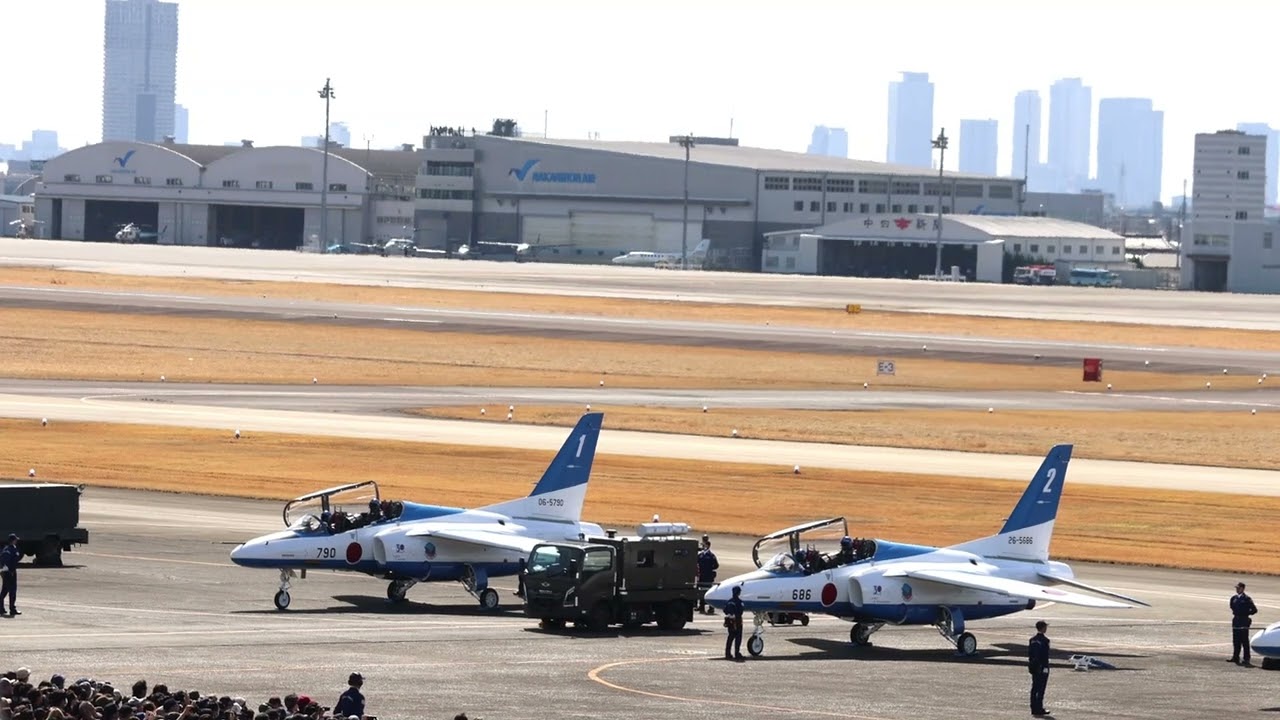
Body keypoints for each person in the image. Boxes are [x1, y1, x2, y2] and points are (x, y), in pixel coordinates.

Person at [1229, 581, 1258, 666]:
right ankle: (1235, 657)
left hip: (1244, 620)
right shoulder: (1233, 598)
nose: (1237, 590)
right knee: (1236, 640)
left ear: (1242, 589)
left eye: (1239, 588)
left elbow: (1254, 610)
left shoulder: (1247, 599)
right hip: (1236, 620)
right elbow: (1232, 606)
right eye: (1236, 588)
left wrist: (1246, 614)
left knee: (1244, 640)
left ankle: (1246, 659)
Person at [1028, 620, 1051, 716]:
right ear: (1043, 628)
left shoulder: (1032, 639)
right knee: (1041, 688)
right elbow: (1045, 656)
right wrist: (1045, 667)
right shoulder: (1045, 640)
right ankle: (1039, 708)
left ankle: (1033, 708)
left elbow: (1030, 653)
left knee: (1034, 688)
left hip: (1034, 666)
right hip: (1042, 666)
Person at [1, 533, 21, 616]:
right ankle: (12, 609)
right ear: (12, 540)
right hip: (9, 572)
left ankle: (1, 608)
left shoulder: (12, 548)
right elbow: (5, 561)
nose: (16, 541)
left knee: (5, 590)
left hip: (10, 571)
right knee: (12, 591)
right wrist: (9, 571)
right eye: (15, 539)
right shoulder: (8, 550)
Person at [696, 541, 719, 614]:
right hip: (702, 576)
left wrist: (709, 569)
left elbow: (716, 565)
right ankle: (701, 606)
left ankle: (711, 607)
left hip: (708, 576)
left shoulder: (711, 556)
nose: (703, 546)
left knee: (708, 591)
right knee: (701, 591)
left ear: (708, 546)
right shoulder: (700, 555)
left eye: (704, 545)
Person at [723, 586, 745, 661]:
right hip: (737, 621)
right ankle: (737, 653)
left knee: (730, 637)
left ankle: (727, 653)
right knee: (738, 638)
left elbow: (725, 610)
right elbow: (741, 611)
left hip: (730, 622)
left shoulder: (729, 601)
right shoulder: (739, 602)